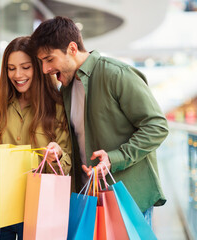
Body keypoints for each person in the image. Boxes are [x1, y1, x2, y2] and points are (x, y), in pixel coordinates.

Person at [30, 16, 169, 226]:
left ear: (72, 48)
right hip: (90, 201)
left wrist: (114, 158)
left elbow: (157, 126)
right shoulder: (66, 90)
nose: (45, 69)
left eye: (49, 59)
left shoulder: (116, 74)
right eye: (42, 62)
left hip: (129, 201)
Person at [0, 36, 72, 240]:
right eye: (11, 68)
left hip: (39, 208)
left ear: (38, 67)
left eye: (25, 67)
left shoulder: (58, 106)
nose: (18, 75)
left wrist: (56, 155)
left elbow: (65, 165)